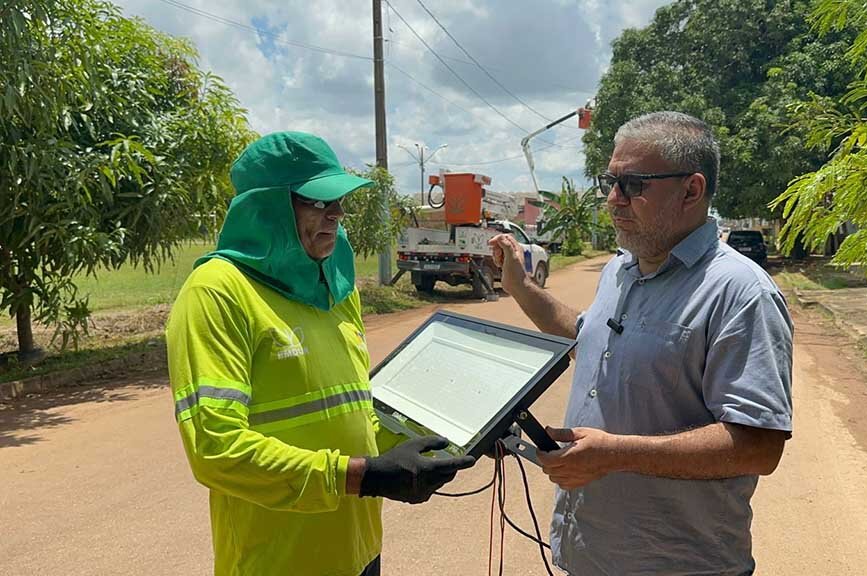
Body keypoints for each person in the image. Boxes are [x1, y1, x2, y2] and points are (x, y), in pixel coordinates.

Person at [489, 111, 793, 576]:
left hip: (677, 565)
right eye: (609, 181)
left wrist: (614, 453)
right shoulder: (622, 269)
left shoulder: (740, 292)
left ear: (691, 190)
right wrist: (520, 288)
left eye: (633, 185)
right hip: (588, 554)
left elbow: (757, 445)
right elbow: (586, 336)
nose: (613, 200)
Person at [166, 131, 475, 576]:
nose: (337, 214)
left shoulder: (331, 287)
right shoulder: (217, 293)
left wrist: (450, 438)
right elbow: (217, 448)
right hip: (278, 561)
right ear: (267, 206)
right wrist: (360, 476)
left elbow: (354, 409)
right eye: (318, 201)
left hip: (358, 548)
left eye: (339, 202)